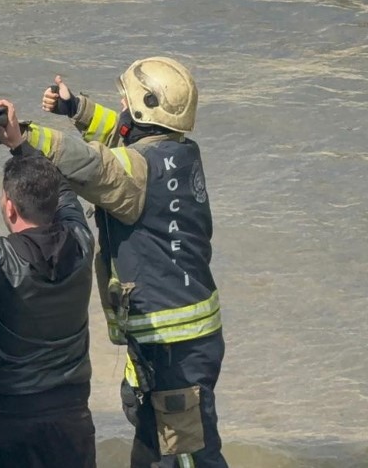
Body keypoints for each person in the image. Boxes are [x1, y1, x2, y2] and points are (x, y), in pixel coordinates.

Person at [20, 57, 226, 468]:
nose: (120, 102)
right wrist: (75, 108)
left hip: (171, 345)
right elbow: (121, 134)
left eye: (126, 100)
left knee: (186, 456)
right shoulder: (179, 151)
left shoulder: (133, 173)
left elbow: (92, 163)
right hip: (176, 338)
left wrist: (21, 135)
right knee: (155, 442)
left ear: (143, 108)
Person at [0, 99, 96, 468]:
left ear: (9, 208)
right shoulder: (82, 240)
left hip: (11, 415)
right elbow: (61, 189)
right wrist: (19, 145)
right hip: (72, 410)